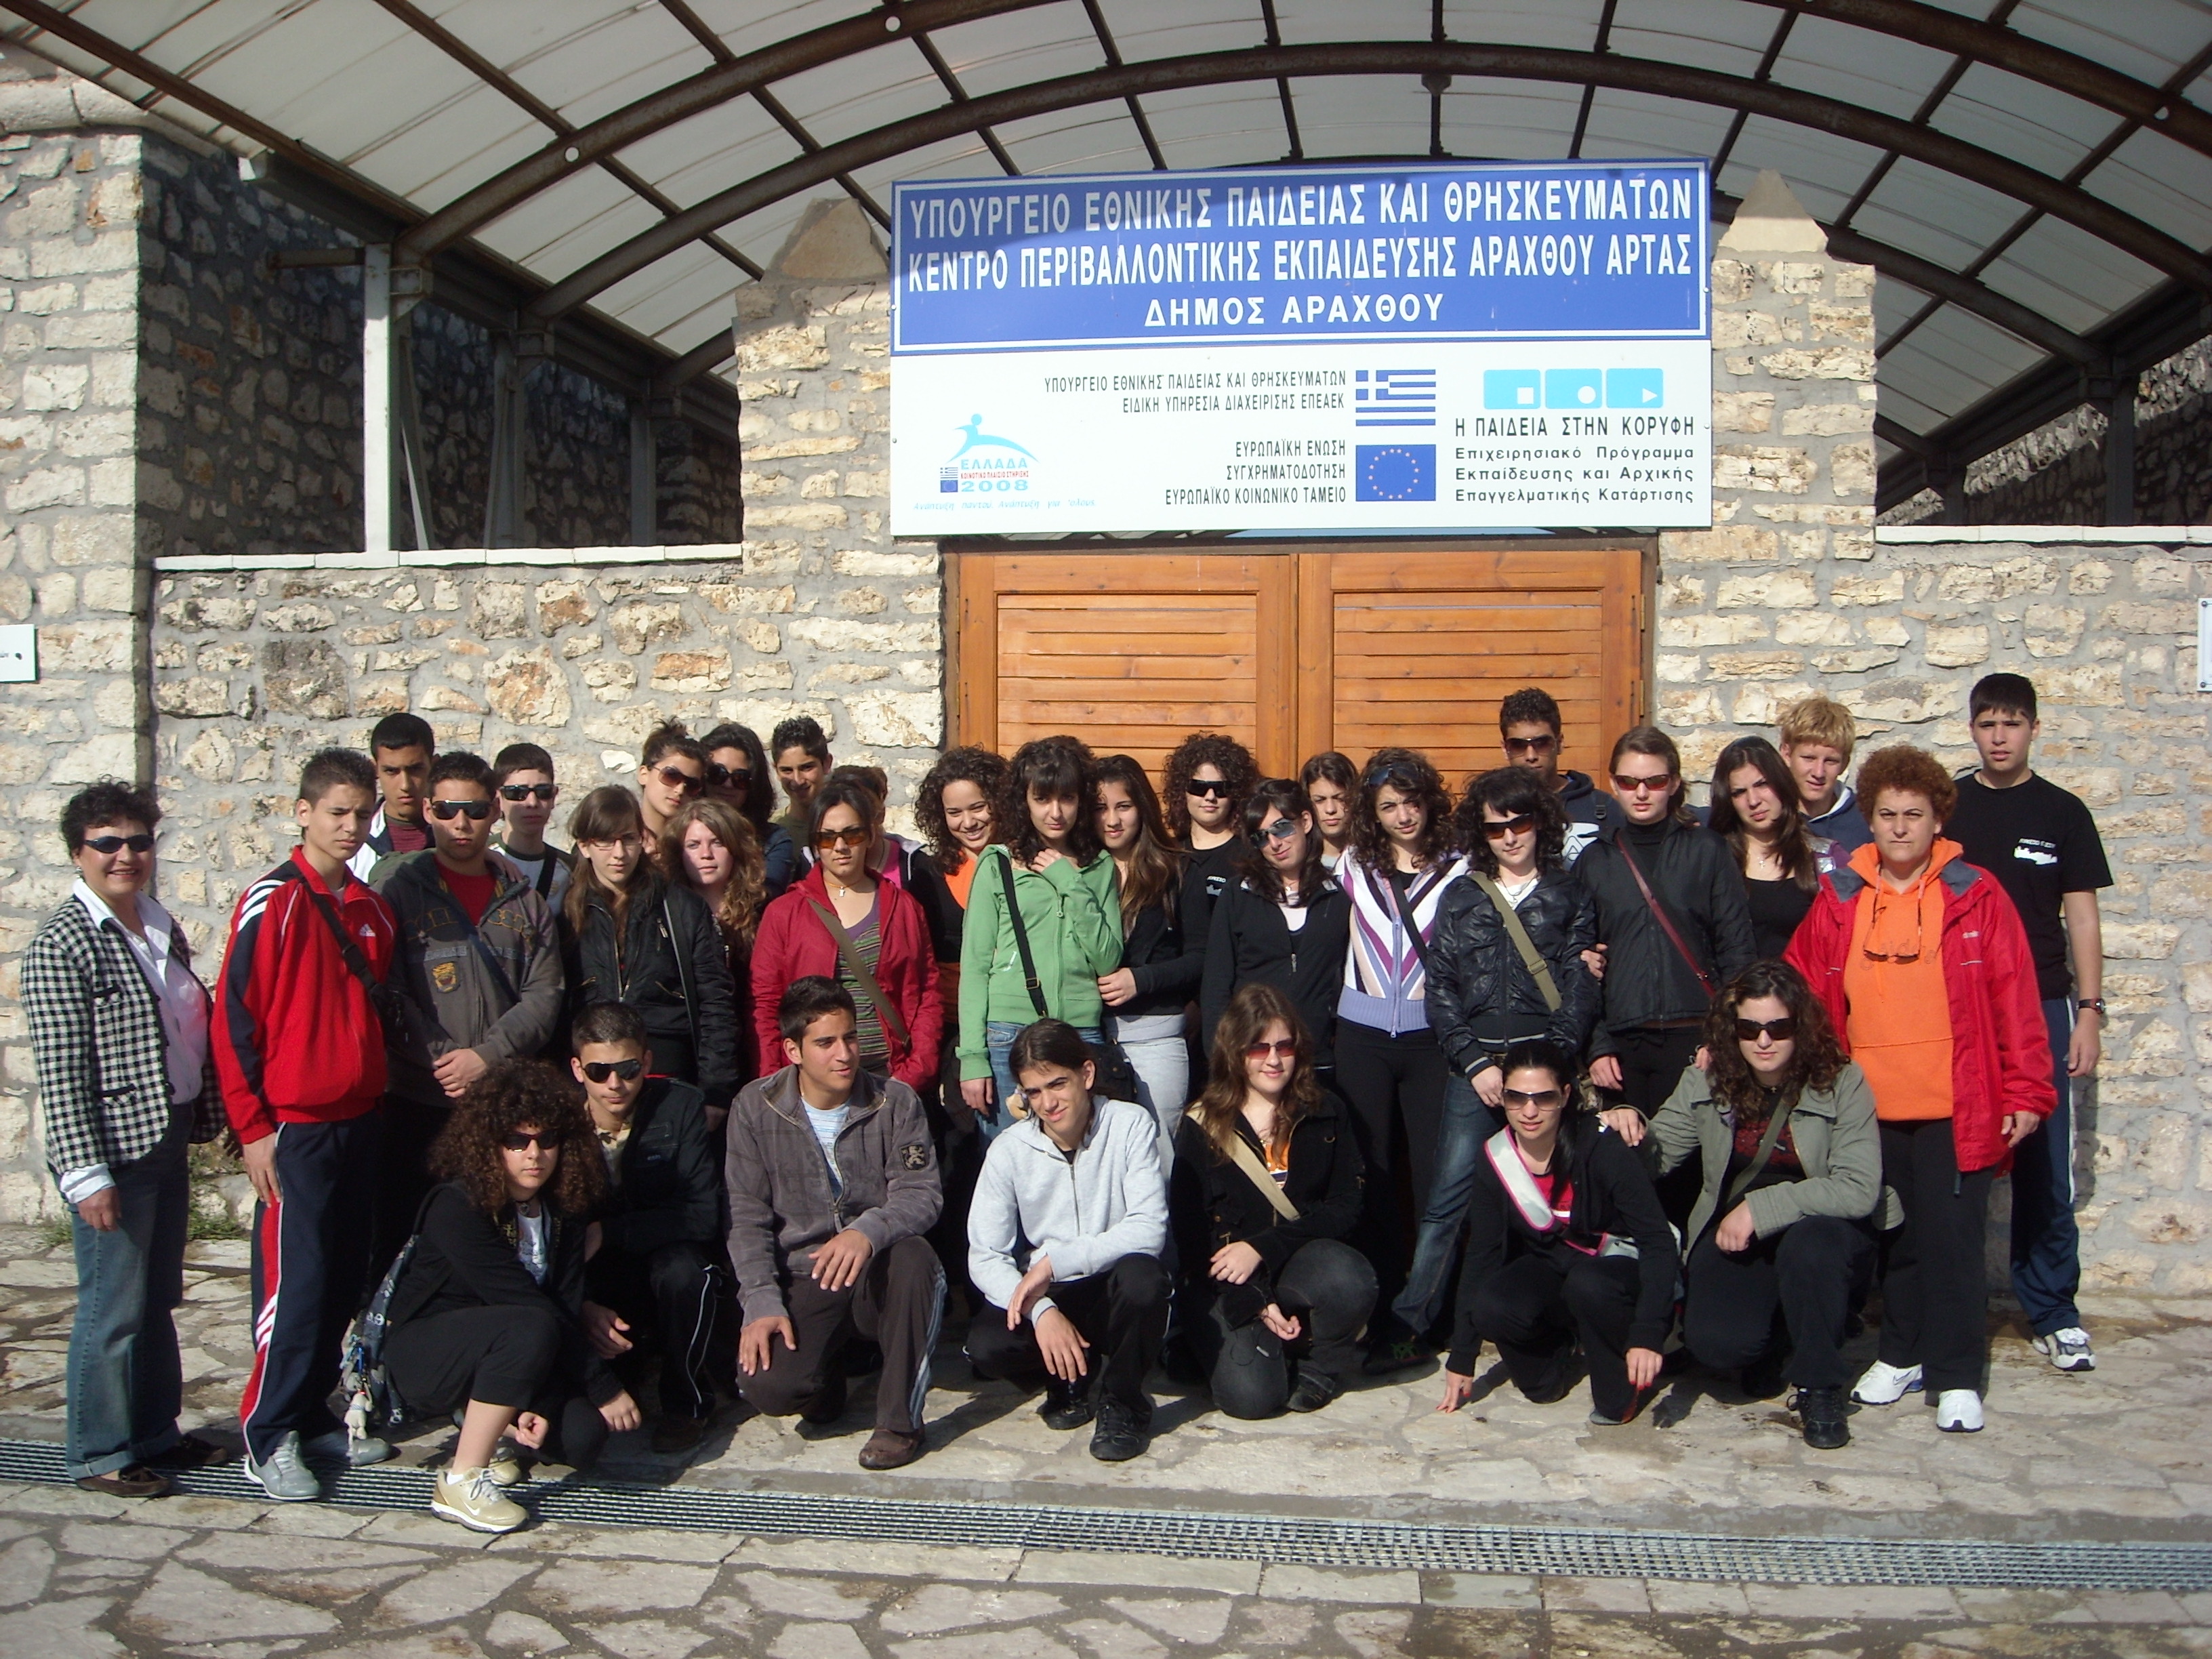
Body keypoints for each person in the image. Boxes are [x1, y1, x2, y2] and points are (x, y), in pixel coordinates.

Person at [1787, 745, 2054, 1434]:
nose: (1900, 827)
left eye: (1914, 814)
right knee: (1896, 1238)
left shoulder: (1976, 894)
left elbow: (2015, 997)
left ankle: (1957, 1373)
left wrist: (2027, 1092)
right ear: (1870, 820)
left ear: (1938, 820)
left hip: (1955, 1103)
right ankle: (1901, 1353)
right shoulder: (1840, 897)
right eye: (1887, 814)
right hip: (1869, 1107)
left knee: (1953, 1242)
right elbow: (1803, 986)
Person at [26, 783, 229, 1497]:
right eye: (107, 843)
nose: (126, 856)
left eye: (139, 841)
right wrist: (86, 1175)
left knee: (156, 1297)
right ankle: (101, 1453)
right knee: (112, 1307)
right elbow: (62, 1072)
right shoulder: (63, 943)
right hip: (113, 1150)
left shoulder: (155, 923)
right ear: (77, 852)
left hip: (165, 1132)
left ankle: (154, 1432)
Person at [215, 749, 400, 1501]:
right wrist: (253, 1128)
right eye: (336, 813)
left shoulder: (371, 909)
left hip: (361, 1121)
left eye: (361, 814)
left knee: (342, 1278)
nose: (350, 827)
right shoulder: (273, 902)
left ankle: (312, 1413)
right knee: (295, 1284)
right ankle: (267, 1434)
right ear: (304, 813)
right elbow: (235, 1019)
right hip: (295, 1127)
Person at [1626, 962, 1886, 1450]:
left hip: (1821, 1223)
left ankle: (1819, 1387)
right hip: (1737, 1230)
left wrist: (1760, 1208)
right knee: (1718, 1347)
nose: (1764, 1041)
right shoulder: (1708, 1080)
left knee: (1812, 1248)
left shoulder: (1841, 1081)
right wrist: (1625, 1125)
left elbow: (1857, 1187)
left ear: (1800, 1026)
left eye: (1778, 1028)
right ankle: (1780, 1338)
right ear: (1734, 1030)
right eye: (1750, 1029)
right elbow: (1656, 1156)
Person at [1389, 767, 1600, 1364]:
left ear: (1540, 822)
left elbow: (1580, 985)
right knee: (1447, 1199)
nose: (1509, 836)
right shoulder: (1463, 895)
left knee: (1563, 1195)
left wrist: (1550, 1063)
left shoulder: (1569, 894)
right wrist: (1473, 1059)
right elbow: (1440, 987)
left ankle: (1564, 1322)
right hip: (1477, 1068)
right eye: (1495, 827)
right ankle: (1412, 1324)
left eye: (1520, 822)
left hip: (1545, 1069)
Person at [381, 1063, 639, 1533]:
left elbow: (563, 1302)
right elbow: (530, 1306)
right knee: (529, 1323)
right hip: (428, 1353)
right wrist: (604, 1387)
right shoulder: (457, 1206)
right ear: (490, 1144)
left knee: (583, 1438)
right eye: (517, 1142)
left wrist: (542, 1398)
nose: (534, 1154)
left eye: (547, 1140)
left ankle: (494, 1420)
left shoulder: (564, 1205)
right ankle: (461, 1480)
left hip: (517, 1351)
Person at [1945, 672, 2110, 1376]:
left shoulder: (2063, 812)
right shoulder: (1949, 809)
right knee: (1950, 1158)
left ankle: (2053, 1311)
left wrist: (2090, 1013)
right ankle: (1939, 1309)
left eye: (2012, 723)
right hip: (1962, 1007)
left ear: (2034, 729)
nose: (1999, 736)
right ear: (1973, 730)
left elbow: (2083, 919)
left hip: (2042, 1006)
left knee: (2044, 1163)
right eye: (1987, 724)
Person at [726, 979, 944, 1471]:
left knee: (915, 1258)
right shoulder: (754, 1108)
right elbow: (746, 1218)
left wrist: (866, 1232)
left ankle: (900, 1423)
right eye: (825, 1043)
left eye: (850, 1038)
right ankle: (825, 1379)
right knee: (770, 1388)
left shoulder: (895, 1100)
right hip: (805, 1273)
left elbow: (922, 1194)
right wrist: (760, 1301)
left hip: (874, 1268)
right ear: (793, 1051)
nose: (844, 1054)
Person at [371, 752, 565, 1282]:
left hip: (500, 1101)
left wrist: (486, 1057)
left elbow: (545, 995)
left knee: (493, 1245)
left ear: (494, 811)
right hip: (421, 1099)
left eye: (476, 811)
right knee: (407, 1238)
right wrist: (443, 1059)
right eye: (448, 810)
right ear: (428, 811)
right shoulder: (399, 893)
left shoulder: (524, 901)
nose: (462, 823)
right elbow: (388, 991)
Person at [1437, 1040, 1678, 1426]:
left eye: (1544, 1098)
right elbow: (1482, 1254)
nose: (1529, 1111)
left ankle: (1619, 1362)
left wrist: (1648, 1333)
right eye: (1516, 1098)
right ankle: (1566, 1346)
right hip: (1557, 1269)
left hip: (1617, 1269)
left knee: (1591, 1292)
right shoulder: (1496, 1156)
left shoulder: (1601, 1146)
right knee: (1495, 1309)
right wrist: (1462, 1357)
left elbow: (1657, 1241)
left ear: (1565, 1096)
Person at [965, 1019, 1170, 1462]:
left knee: (1145, 1278)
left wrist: (1057, 1262)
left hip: (1108, 1283)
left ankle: (1123, 1402)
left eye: (1058, 1084)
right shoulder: (1009, 1149)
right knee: (986, 1346)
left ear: (1087, 1074)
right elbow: (985, 1254)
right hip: (1051, 1292)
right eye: (1033, 1092)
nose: (1048, 1103)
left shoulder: (1129, 1124)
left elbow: (1149, 1227)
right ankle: (1067, 1377)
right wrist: (1041, 1311)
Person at [1171, 985, 1374, 1418]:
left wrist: (1264, 1247)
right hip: (1228, 1281)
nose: (1274, 1060)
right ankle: (1215, 1345)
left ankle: (1318, 1368)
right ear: (1235, 1053)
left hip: (1297, 1262)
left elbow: (1346, 1206)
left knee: (1351, 1278)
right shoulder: (1202, 1124)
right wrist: (1256, 1300)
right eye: (1258, 1048)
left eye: (1285, 1046)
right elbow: (1192, 1235)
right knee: (1254, 1401)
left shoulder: (1325, 1111)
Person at [1330, 747, 1464, 1353]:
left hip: (1431, 1039)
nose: (1403, 816)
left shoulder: (1459, 865)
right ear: (1373, 813)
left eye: (1411, 803)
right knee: (1374, 1171)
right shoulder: (1354, 864)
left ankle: (1432, 1308)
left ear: (1428, 802)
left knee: (1435, 1175)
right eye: (1389, 807)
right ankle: (1379, 1304)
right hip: (1362, 1038)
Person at [1578, 727, 1757, 1130]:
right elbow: (1580, 964)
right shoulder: (1595, 861)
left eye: (1655, 781)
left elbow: (1737, 950)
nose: (1641, 793)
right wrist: (1597, 1047)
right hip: (1623, 1043)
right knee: (1628, 1156)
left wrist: (1722, 1037)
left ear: (1674, 783)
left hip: (1694, 1036)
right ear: (1614, 785)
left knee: (1689, 1159)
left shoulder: (1707, 850)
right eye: (1629, 782)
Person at [569, 1003, 726, 1454]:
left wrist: (611, 1231)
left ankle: (687, 1404)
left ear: (647, 1061)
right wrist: (583, 1303)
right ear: (578, 1070)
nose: (615, 1084)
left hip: (662, 1253)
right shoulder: (560, 1121)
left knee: (687, 1274)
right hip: (595, 1274)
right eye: (599, 1071)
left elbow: (703, 1214)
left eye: (628, 1069)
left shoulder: (680, 1104)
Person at [956, 735, 1123, 1139]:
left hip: (1079, 1031)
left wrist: (1069, 881)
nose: (1056, 812)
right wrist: (972, 1058)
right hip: (1007, 1031)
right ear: (1024, 801)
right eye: (1042, 799)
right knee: (1010, 1156)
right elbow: (975, 965)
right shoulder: (998, 863)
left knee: (1081, 1152)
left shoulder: (1099, 865)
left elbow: (1107, 959)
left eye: (1067, 798)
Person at [750, 779, 942, 1094]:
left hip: (890, 1076)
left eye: (852, 834)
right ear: (814, 843)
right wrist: (777, 1080)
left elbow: (926, 993)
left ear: (870, 836)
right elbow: (766, 1003)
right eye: (827, 838)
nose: (840, 847)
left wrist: (915, 1071)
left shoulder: (904, 908)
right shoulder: (784, 912)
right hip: (811, 1086)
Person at [562, 786, 739, 1109]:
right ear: (585, 846)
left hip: (668, 1073)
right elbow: (556, 1008)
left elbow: (715, 1002)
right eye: (606, 841)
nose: (619, 853)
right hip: (593, 1080)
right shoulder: (566, 915)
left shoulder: (680, 907)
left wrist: (716, 1091)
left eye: (628, 839)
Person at [1199, 779, 1353, 1082]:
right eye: (1261, 837)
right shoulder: (1238, 894)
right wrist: (1220, 1057)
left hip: (1319, 1060)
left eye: (1282, 829)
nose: (1275, 844)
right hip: (1253, 1060)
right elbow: (1216, 983)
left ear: (1306, 821)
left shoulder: (1338, 895)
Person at [1094, 754, 1199, 1161]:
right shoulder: (1076, 872)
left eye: (1123, 806)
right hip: (1088, 1034)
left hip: (1156, 1036)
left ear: (1142, 807)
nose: (1112, 820)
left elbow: (1202, 957)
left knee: (1159, 1156)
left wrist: (1142, 979)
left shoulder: (1179, 870)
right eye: (1101, 808)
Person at [663, 795, 767, 1088]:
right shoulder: (666, 914)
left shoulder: (763, 911)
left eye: (717, 843)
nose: (706, 854)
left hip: (752, 1051)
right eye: (693, 845)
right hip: (690, 1056)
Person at [1706, 736, 1832, 958]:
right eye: (1739, 792)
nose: (1753, 801)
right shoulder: (1713, 859)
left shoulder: (1825, 859)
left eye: (1762, 785)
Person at [1498, 687, 1622, 865]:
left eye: (1542, 744)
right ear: (1505, 749)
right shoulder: (1491, 812)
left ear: (1560, 743)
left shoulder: (1603, 809)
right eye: (1518, 746)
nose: (1531, 756)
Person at [1164, 732, 1260, 951]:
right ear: (1182, 791)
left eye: (1221, 789)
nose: (1210, 797)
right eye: (1199, 787)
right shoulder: (1166, 853)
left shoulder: (1250, 857)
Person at [701, 721, 798, 898]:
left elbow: (766, 896)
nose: (728, 784)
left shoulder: (774, 841)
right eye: (717, 774)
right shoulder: (680, 833)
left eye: (740, 778)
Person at [1777, 695, 1872, 855]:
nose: (1818, 772)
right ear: (1787, 754)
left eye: (1830, 761)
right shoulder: (1768, 817)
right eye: (1809, 758)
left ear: (1845, 764)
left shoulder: (1865, 821)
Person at [348, 711, 435, 880]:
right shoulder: (353, 843)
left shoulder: (458, 838)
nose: (405, 785)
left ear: (434, 766)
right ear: (375, 770)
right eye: (391, 771)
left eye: (415, 770)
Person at [489, 742, 571, 910]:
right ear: (498, 799)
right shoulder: (477, 858)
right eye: (517, 793)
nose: (532, 802)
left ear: (554, 796)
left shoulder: (570, 870)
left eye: (543, 792)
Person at [636, 723, 707, 857]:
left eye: (692, 784)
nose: (680, 790)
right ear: (644, 774)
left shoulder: (699, 851)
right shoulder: (617, 839)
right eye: (671, 776)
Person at [771, 714, 833, 841]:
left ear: (827, 764)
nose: (798, 781)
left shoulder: (850, 822)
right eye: (787, 770)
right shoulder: (771, 832)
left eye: (806, 768)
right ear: (776, 770)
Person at [1300, 751, 1359, 872]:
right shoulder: (1299, 863)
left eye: (1340, 799)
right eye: (1320, 800)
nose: (1330, 809)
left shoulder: (1371, 859)